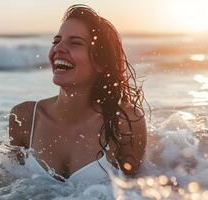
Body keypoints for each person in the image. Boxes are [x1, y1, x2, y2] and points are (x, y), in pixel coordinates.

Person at [8, 4, 147, 183]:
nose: (59, 48)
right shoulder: (24, 117)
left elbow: (136, 190)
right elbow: (10, 187)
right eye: (56, 41)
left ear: (100, 62)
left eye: (75, 43)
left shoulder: (125, 122)